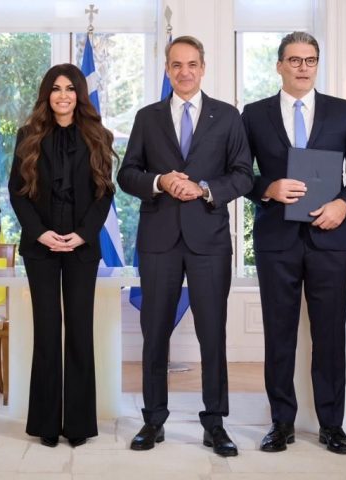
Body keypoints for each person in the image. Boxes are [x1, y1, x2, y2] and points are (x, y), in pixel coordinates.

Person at [118, 35, 253, 458]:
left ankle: (215, 423)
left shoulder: (227, 116)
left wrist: (205, 188)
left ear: (203, 67)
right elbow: (127, 174)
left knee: (212, 334)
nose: (184, 71)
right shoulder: (148, 117)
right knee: (154, 332)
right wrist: (160, 181)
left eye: (192, 64)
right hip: (159, 240)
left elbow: (244, 175)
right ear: (167, 69)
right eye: (176, 64)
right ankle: (153, 420)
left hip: (209, 240)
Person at [241, 31, 346, 455]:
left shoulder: (342, 111)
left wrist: (344, 205)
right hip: (276, 239)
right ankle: (281, 423)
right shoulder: (254, 114)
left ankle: (332, 425)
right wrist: (268, 187)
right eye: (295, 60)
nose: (303, 67)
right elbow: (239, 172)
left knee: (330, 334)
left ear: (318, 65)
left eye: (310, 60)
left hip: (329, 237)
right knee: (279, 334)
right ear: (279, 65)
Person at [8, 63, 114, 448]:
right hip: (41, 247)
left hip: (82, 248)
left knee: (80, 332)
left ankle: (79, 425)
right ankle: (46, 424)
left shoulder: (99, 135)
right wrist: (41, 233)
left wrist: (82, 235)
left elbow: (105, 193)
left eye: (70, 88)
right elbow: (17, 192)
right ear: (47, 94)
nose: (63, 95)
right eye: (56, 88)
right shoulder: (28, 136)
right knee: (48, 331)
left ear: (79, 94)